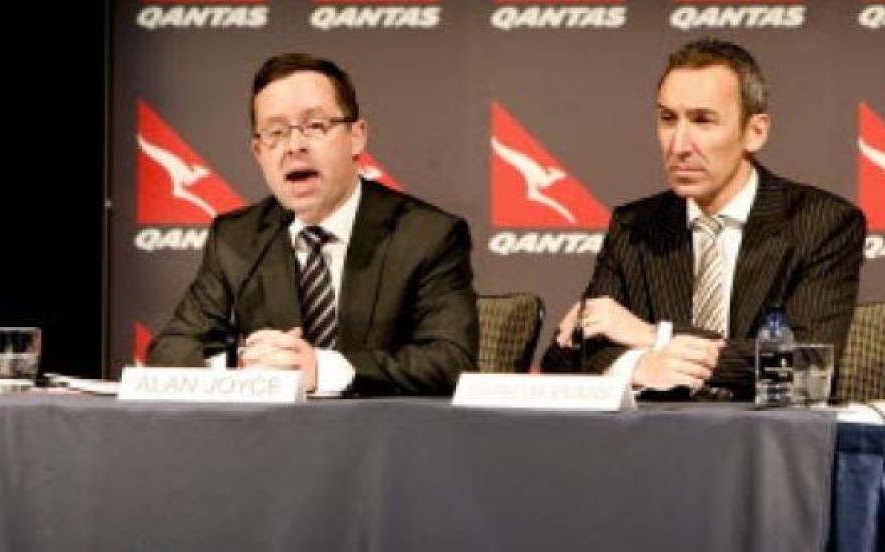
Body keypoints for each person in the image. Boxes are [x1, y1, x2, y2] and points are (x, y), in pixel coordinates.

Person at [542, 37, 866, 400]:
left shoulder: (821, 222)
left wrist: (657, 336)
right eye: (668, 119)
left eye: (702, 121)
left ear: (755, 132)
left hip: (765, 444)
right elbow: (563, 359)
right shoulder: (635, 226)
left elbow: (806, 367)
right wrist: (638, 366)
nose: (678, 145)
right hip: (654, 444)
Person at [147, 52, 479, 396]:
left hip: (383, 442)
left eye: (316, 126)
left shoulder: (427, 235)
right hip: (271, 442)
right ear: (259, 153)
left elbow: (451, 361)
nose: (294, 146)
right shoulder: (236, 239)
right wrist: (242, 366)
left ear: (357, 136)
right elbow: (168, 352)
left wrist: (323, 369)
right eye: (275, 133)